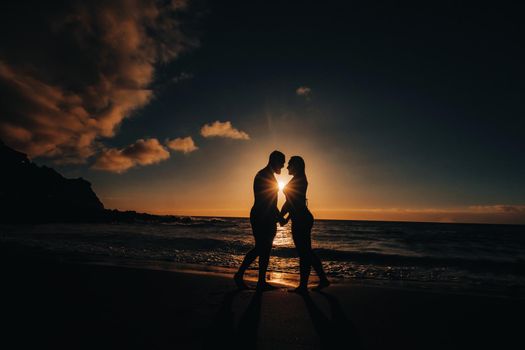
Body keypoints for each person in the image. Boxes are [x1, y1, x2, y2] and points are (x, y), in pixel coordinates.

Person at [234, 150, 286, 291]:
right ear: (274, 161)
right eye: (281, 163)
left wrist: (277, 216)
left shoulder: (265, 174)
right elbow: (267, 201)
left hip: (263, 214)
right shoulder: (265, 176)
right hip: (262, 215)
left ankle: (259, 280)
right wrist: (279, 217)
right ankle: (243, 276)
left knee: (264, 248)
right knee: (262, 248)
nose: (282, 167)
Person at [280, 156, 329, 293]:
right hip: (300, 217)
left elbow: (293, 203)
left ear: (296, 165)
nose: (287, 167)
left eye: (290, 164)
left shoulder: (299, 180)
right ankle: (323, 280)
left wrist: (283, 217)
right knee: (307, 251)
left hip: (302, 219)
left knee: (304, 253)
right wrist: (285, 216)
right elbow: (291, 201)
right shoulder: (297, 179)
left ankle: (303, 286)